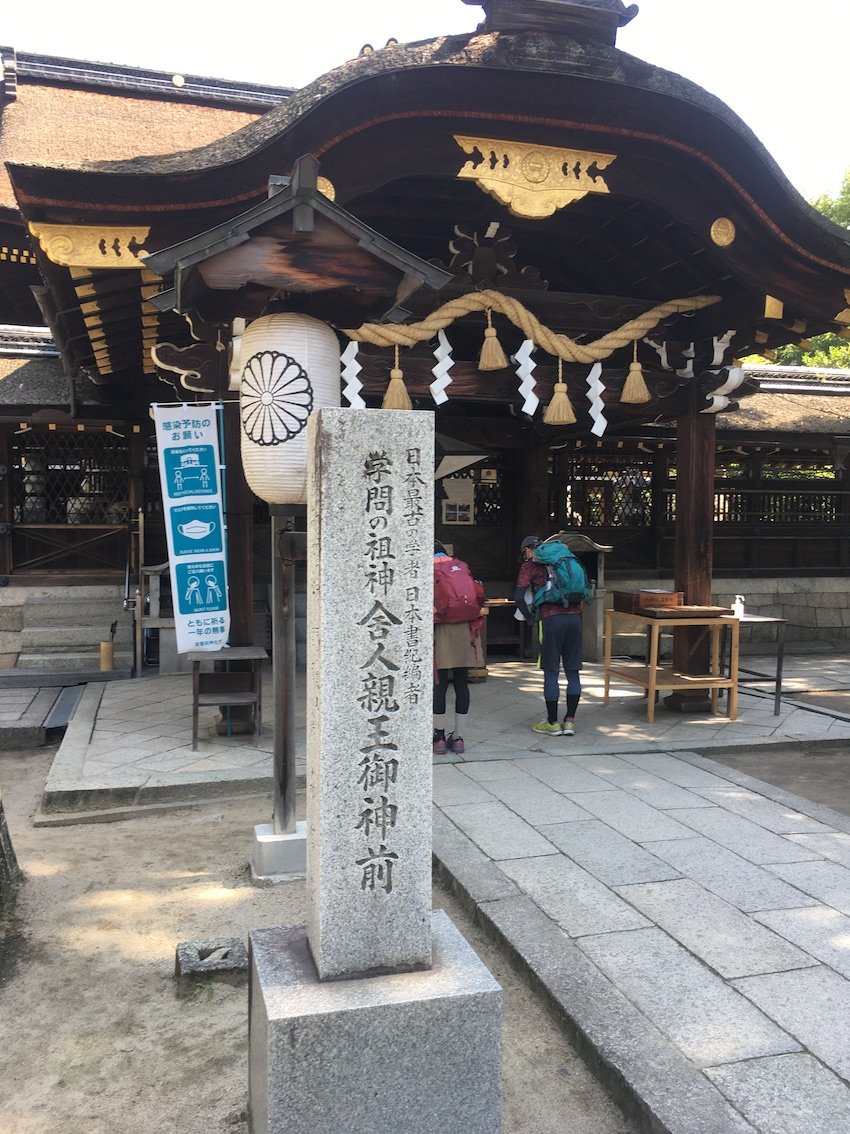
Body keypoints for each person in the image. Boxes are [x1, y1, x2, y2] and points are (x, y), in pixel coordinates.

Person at [515, 535, 584, 737]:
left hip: (551, 620)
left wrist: (529, 618)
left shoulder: (530, 565)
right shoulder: (564, 558)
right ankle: (570, 721)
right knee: (573, 672)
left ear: (528, 550)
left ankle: (552, 722)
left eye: (524, 552)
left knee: (551, 671)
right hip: (575, 619)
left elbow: (519, 597)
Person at [433, 541, 485, 756]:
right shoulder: (460, 567)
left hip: (440, 632)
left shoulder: (427, 569)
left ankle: (439, 737)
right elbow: (478, 595)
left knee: (440, 684)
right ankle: (459, 737)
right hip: (464, 631)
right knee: (462, 683)